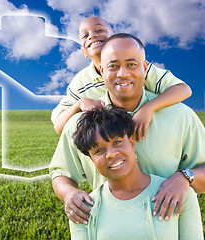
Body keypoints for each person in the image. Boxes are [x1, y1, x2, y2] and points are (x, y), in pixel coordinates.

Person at [49, 33, 205, 227]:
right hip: (110, 229)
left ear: (145, 67)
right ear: (101, 69)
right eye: (113, 66)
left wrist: (185, 177)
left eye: (131, 64)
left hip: (169, 228)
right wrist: (69, 193)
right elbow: (61, 173)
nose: (122, 73)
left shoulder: (181, 116)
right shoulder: (80, 124)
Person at [69, 107, 204, 239]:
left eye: (117, 142)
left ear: (132, 143)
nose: (111, 154)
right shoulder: (82, 209)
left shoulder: (178, 194)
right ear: (92, 160)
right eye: (98, 151)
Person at [51, 16, 192, 141]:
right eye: (85, 35)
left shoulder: (137, 68)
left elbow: (183, 89)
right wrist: (79, 104)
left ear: (114, 39)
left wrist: (148, 107)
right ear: (84, 51)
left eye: (99, 30)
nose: (92, 36)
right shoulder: (80, 82)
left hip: (151, 134)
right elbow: (59, 126)